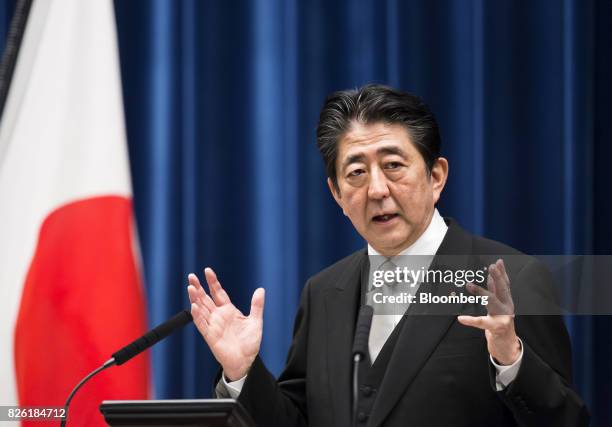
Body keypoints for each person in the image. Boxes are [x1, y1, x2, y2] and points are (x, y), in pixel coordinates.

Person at [186, 84, 589, 426]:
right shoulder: (325, 292)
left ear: (435, 177)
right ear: (336, 194)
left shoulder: (513, 278)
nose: (377, 189)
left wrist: (510, 360)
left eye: (393, 165)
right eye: (356, 173)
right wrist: (242, 372)